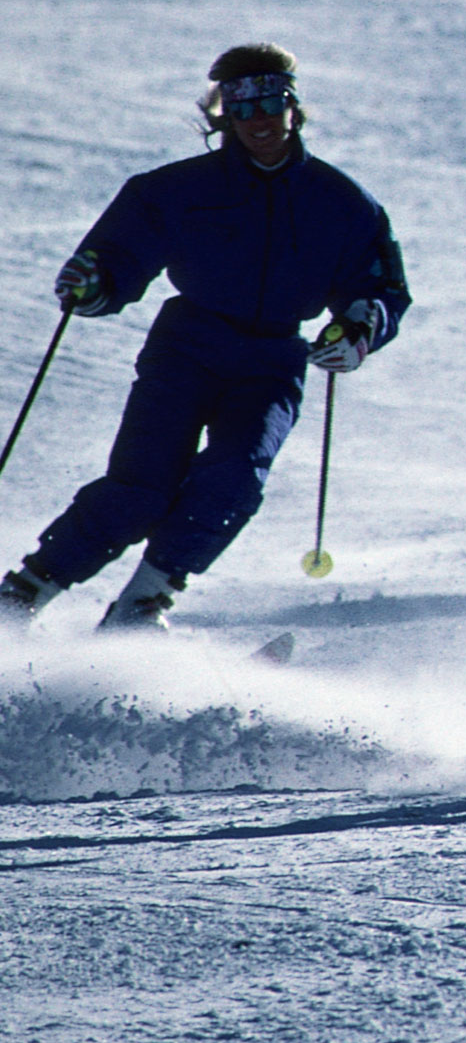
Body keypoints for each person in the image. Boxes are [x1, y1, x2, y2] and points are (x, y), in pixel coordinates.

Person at [1, 46, 409, 630]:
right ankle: (21, 596)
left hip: (272, 358)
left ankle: (141, 607)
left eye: (272, 102)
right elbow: (115, 258)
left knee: (236, 477)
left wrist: (358, 330)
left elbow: (378, 287)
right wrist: (94, 284)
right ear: (225, 117)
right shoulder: (175, 189)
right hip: (188, 344)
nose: (260, 120)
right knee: (142, 486)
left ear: (293, 106)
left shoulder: (342, 204)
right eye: (243, 109)